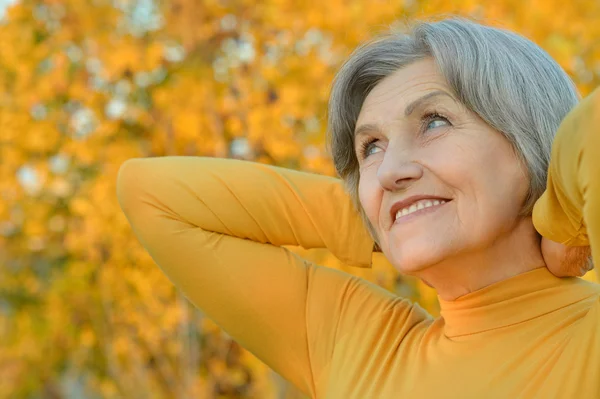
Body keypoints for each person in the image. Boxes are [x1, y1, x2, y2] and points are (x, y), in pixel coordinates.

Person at [116, 17, 600, 398]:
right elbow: (152, 193)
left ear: (530, 142)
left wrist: (561, 216)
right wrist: (384, 212)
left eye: (433, 122)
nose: (390, 171)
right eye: (371, 147)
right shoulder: (362, 348)